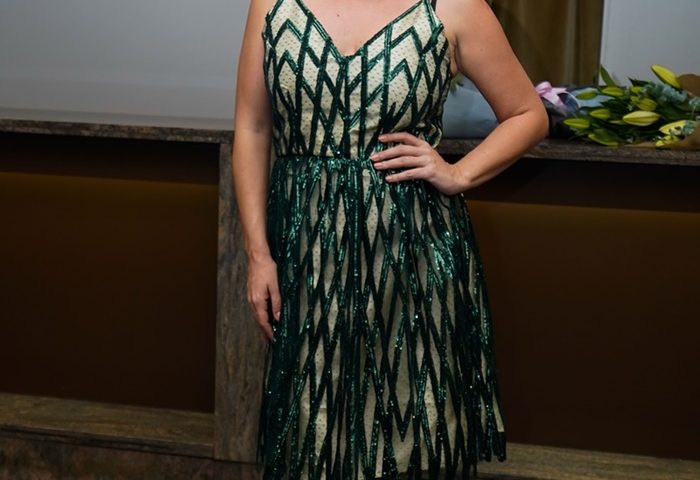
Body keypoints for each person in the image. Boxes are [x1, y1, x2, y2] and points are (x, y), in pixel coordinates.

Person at [232, 0, 548, 478]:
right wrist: (258, 255)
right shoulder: (273, 6)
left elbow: (527, 113)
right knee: (312, 428)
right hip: (307, 254)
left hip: (410, 253)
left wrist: (458, 173)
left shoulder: (453, 7)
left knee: (408, 429)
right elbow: (253, 128)